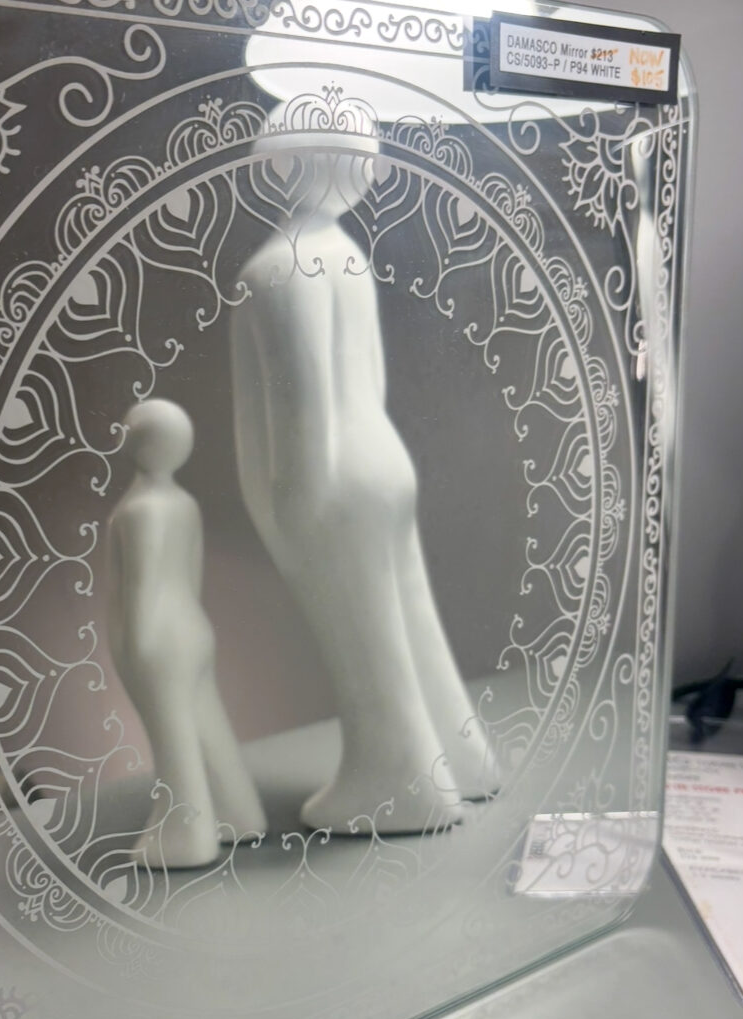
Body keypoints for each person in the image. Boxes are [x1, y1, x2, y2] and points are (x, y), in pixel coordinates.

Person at [230, 122, 493, 834]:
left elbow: (303, 405)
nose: (373, 178)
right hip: (383, 457)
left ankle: (399, 782)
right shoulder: (347, 255)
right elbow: (368, 382)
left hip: (331, 473)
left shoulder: (277, 268)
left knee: (364, 640)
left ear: (280, 165)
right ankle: (464, 761)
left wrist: (293, 505)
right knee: (409, 622)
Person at [107, 398, 268, 868]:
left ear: (132, 442)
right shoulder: (185, 504)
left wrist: (134, 647)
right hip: (192, 627)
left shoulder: (137, 511)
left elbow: (140, 588)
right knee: (206, 727)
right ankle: (238, 813)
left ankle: (184, 833)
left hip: (155, 638)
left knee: (172, 736)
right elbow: (190, 576)